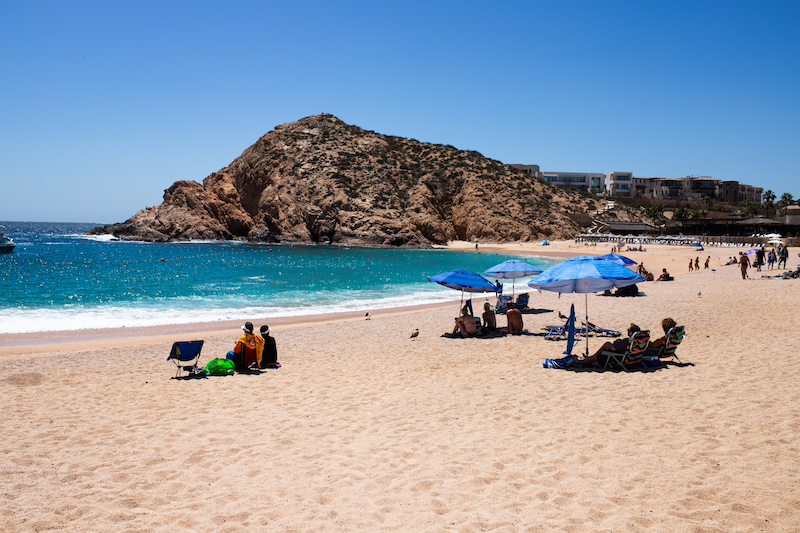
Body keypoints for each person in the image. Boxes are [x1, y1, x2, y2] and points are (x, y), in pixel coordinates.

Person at [571, 323, 641, 368]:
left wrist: (610, 345)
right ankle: (589, 358)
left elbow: (613, 348)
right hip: (630, 358)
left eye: (628, 330)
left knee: (598, 355)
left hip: (617, 358)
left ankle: (579, 361)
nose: (627, 331)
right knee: (602, 350)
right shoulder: (639, 341)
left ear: (631, 332)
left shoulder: (627, 341)